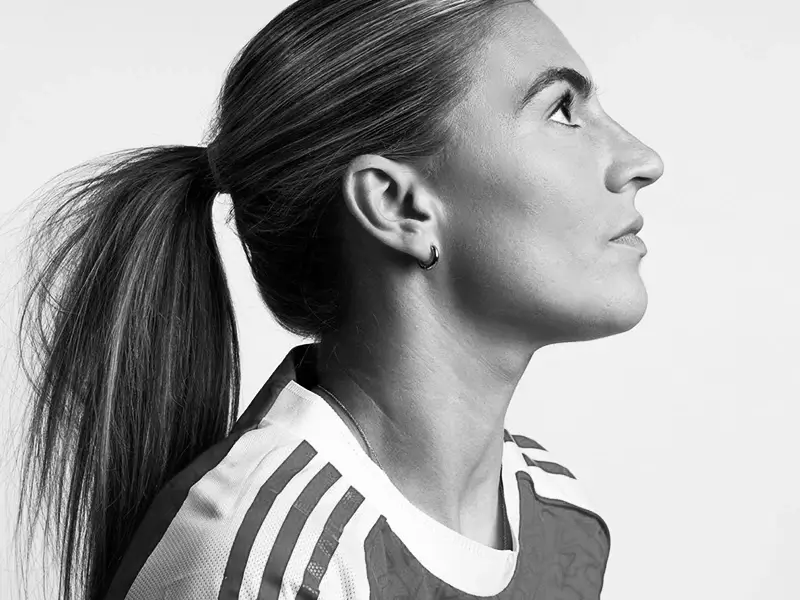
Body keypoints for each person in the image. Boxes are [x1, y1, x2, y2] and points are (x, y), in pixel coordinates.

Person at [12, 0, 664, 599]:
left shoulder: (559, 513)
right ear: (398, 205)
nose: (643, 159)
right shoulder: (271, 562)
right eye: (561, 110)